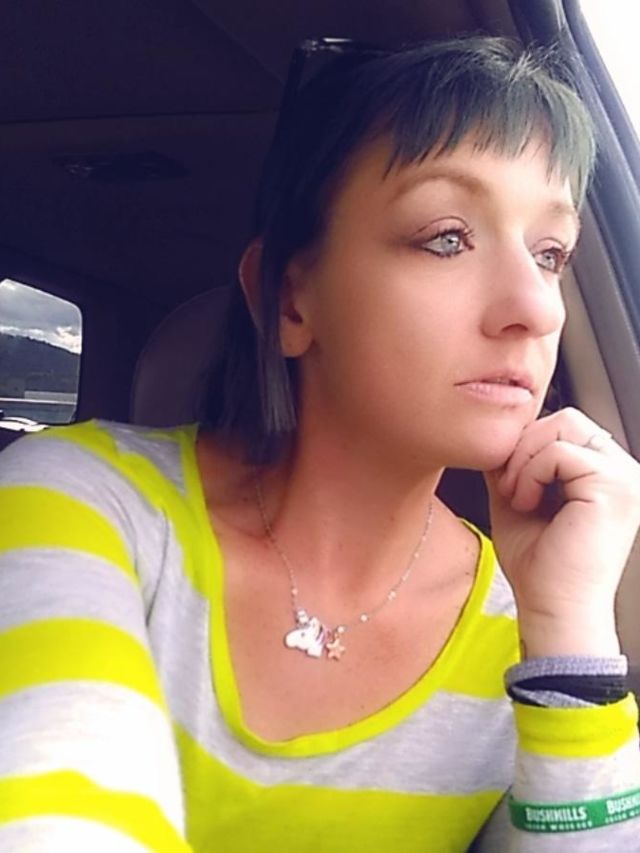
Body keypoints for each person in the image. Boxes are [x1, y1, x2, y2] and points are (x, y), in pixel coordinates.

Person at [1, 34, 640, 852]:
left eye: (550, 254)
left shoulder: (526, 634)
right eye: (447, 236)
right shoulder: (79, 501)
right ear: (291, 302)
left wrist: (567, 635)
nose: (539, 308)